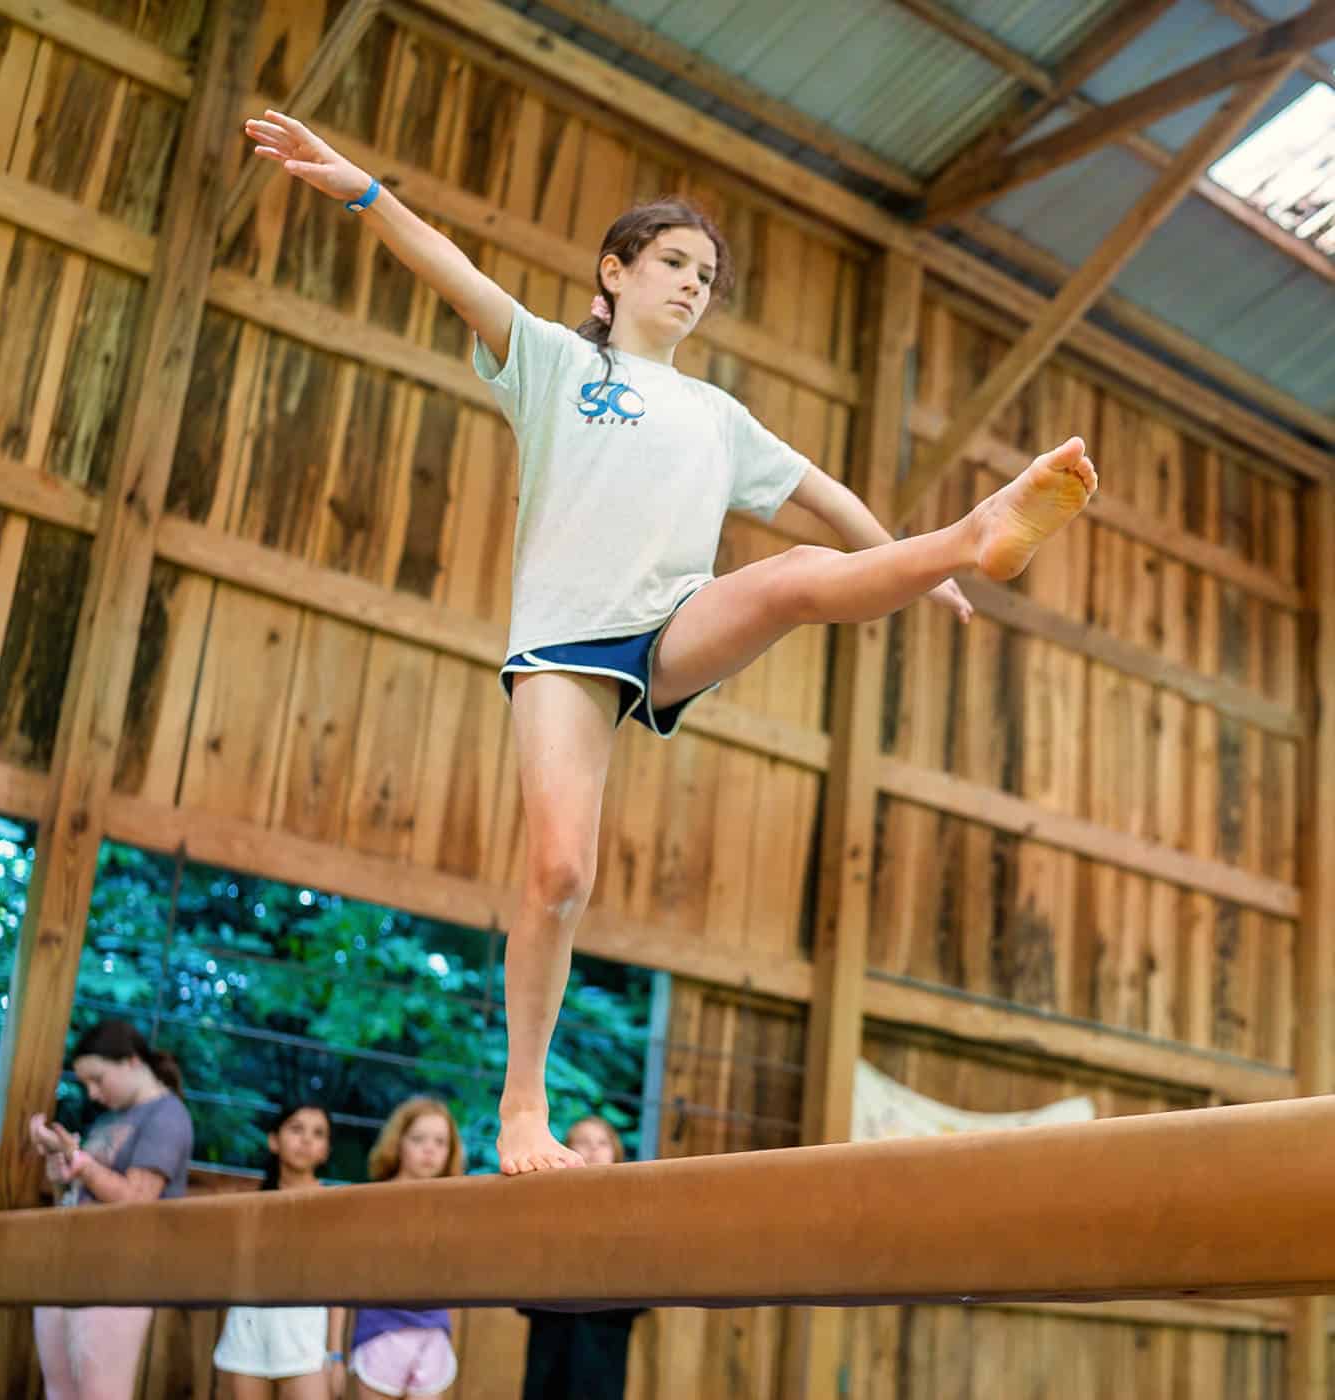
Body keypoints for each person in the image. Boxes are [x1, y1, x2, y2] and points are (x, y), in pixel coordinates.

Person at [242, 110, 1098, 1175]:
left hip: (672, 619)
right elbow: (454, 273)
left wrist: (916, 563)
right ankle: (520, 1107)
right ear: (615, 271)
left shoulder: (717, 415)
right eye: (675, 263)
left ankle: (968, 536)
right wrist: (363, 188)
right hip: (562, 645)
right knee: (558, 872)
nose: (694, 284)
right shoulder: (552, 365)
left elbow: (822, 497)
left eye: (708, 274)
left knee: (787, 579)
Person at [27, 1018, 194, 1400]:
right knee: (60, 1391)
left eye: (98, 1079)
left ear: (131, 1062)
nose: (92, 1093)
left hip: (121, 1271)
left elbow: (138, 1198)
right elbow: (76, 1199)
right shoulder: (109, 1118)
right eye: (86, 1083)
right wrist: (63, 1171)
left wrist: (82, 1163)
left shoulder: (167, 1115)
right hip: (68, 1263)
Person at [214, 1101, 348, 1398]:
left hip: (305, 1343)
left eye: (318, 1133)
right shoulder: (248, 1205)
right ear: (274, 1140)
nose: (306, 1140)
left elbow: (337, 1287)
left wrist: (335, 1355)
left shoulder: (334, 1205)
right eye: (296, 1129)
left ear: (326, 1150)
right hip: (245, 1340)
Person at [519, 1116, 644, 1400]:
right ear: (565, 1150)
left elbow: (644, 1290)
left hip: (604, 1339)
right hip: (551, 1334)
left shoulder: (632, 1215)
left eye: (602, 1143)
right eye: (583, 1143)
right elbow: (522, 1288)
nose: (593, 1150)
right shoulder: (544, 1210)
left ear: (615, 1153)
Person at [350, 1098, 465, 1399]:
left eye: (440, 1142)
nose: (430, 1149)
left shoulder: (454, 1208)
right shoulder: (373, 1201)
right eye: (418, 1139)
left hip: (433, 1333)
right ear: (398, 1142)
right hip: (381, 1330)